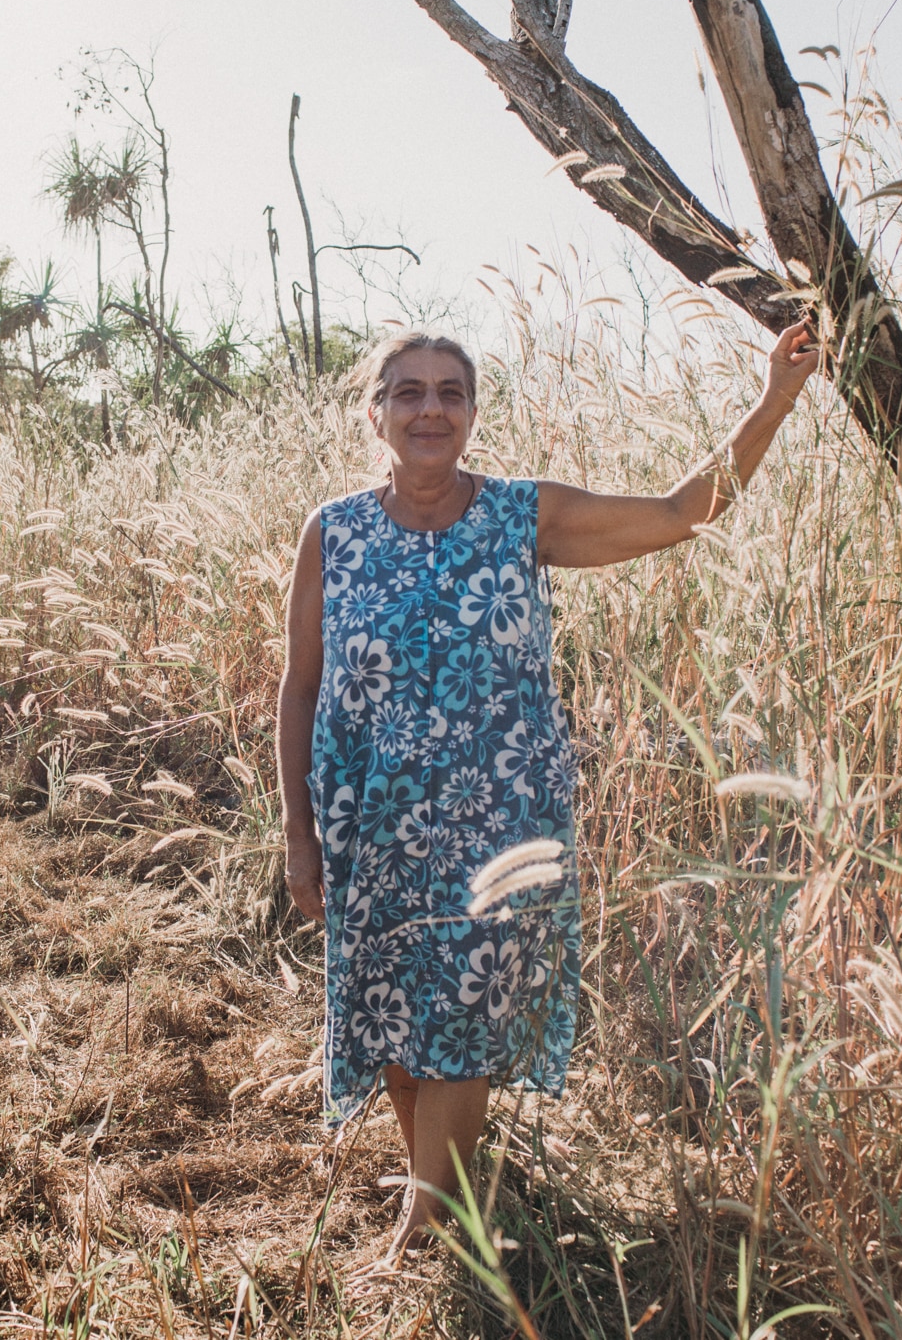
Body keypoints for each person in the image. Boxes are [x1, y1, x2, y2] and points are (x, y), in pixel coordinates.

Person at [276, 321, 822, 1261]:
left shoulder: (522, 516)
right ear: (376, 413)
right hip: (371, 828)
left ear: (473, 413)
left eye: (451, 391)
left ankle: (422, 1234)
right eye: (408, 391)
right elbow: (300, 682)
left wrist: (774, 395)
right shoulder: (334, 531)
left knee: (467, 1020)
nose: (430, 408)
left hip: (500, 828)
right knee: (398, 1019)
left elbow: (684, 510)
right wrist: (298, 829)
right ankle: (448, 1193)